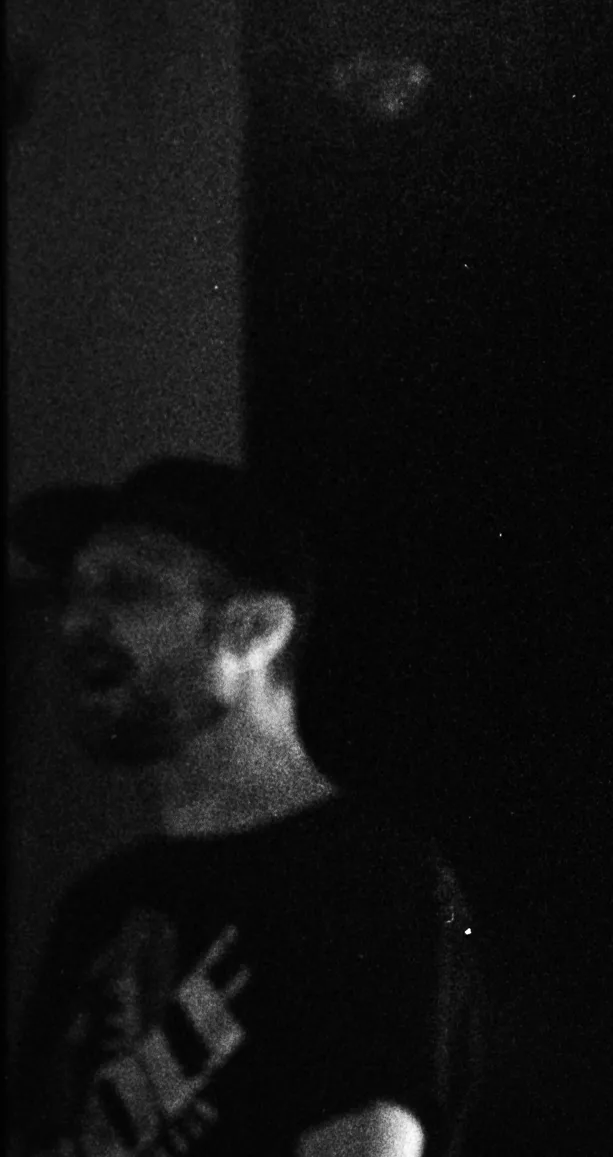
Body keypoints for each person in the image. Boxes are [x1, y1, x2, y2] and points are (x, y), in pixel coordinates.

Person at [9, 457, 480, 1157]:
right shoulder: (98, 905)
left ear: (255, 629)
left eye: (127, 588)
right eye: (72, 591)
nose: (76, 622)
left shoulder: (371, 880)